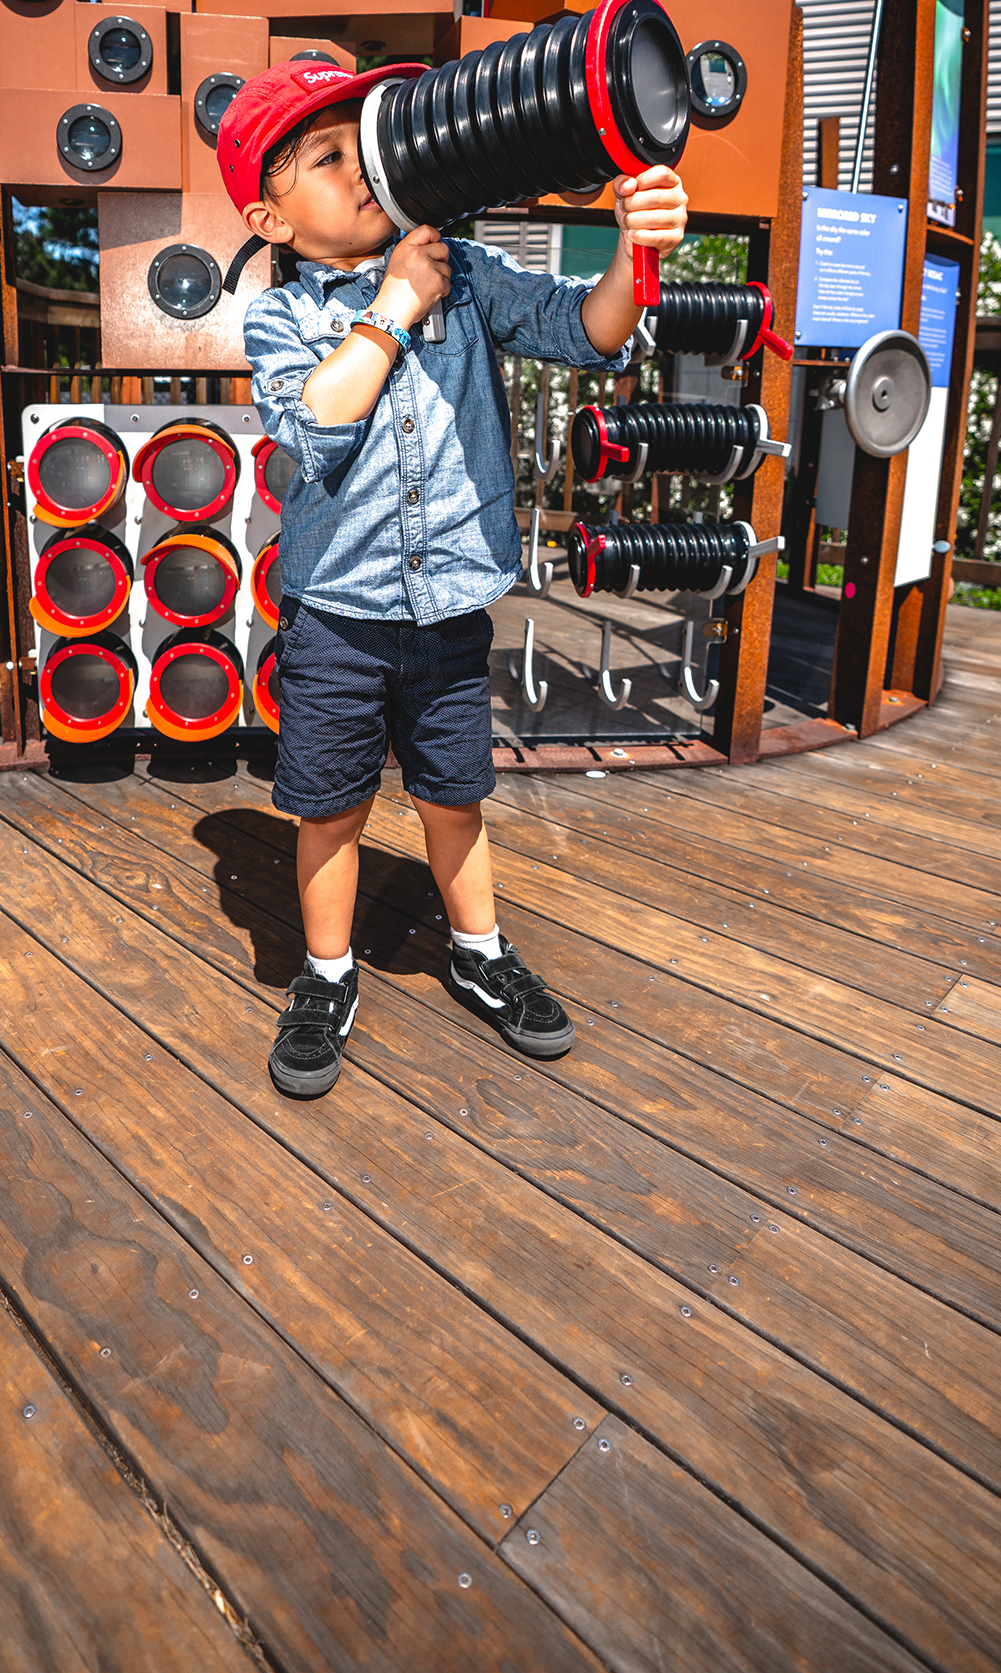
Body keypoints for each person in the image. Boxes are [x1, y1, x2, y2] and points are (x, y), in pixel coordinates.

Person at [224, 58, 687, 1098]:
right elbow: (318, 420)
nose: (364, 168)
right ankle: (328, 974)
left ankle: (478, 954)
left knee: (454, 795)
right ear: (272, 217)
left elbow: (591, 331)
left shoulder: (466, 269)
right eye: (328, 156)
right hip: (336, 615)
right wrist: (391, 307)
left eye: (369, 144)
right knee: (330, 807)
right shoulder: (281, 318)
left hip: (447, 609)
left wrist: (635, 246)